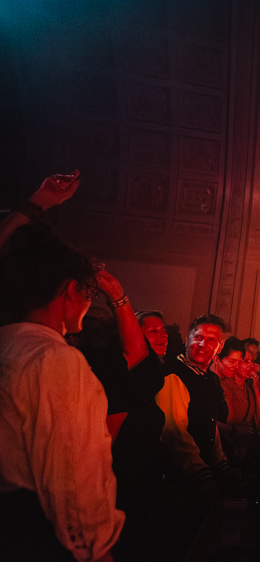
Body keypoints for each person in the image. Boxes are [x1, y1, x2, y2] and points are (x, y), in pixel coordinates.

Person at [0, 224, 124, 561]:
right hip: (34, 536)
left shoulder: (8, 344)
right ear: (72, 290)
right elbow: (73, 482)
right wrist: (97, 551)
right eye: (89, 293)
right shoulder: (55, 359)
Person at [155, 314, 234, 494]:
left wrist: (221, 464)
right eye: (198, 337)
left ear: (220, 346)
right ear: (188, 339)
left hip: (200, 475)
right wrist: (202, 475)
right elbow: (174, 433)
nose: (202, 344)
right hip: (177, 480)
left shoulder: (211, 378)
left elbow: (210, 423)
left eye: (211, 340)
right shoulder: (173, 374)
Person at [218, 338, 260, 464]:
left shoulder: (248, 389)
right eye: (246, 361)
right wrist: (252, 427)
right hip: (227, 444)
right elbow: (230, 419)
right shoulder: (226, 384)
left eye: (252, 361)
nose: (251, 365)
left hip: (244, 444)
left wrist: (256, 388)